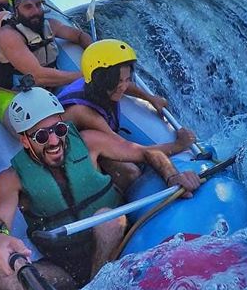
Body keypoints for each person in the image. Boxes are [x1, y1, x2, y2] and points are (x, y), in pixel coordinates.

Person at [0, 87, 201, 290]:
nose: (54, 140)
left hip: (114, 248)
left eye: (59, 129)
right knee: (7, 285)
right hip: (64, 266)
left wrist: (173, 176)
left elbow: (146, 153)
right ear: (25, 140)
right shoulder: (11, 179)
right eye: (42, 135)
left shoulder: (90, 142)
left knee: (107, 218)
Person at [59, 39, 196, 183]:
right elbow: (130, 149)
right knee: (131, 172)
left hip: (92, 140)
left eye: (127, 79)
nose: (124, 86)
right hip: (67, 157)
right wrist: (179, 145)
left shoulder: (95, 84)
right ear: (102, 80)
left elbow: (126, 86)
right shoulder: (85, 114)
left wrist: (150, 98)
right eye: (118, 81)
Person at [0, 0, 92, 125]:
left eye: (38, 5)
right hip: (11, 97)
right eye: (28, 7)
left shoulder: (51, 25)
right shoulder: (7, 35)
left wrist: (95, 53)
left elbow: (79, 35)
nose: (36, 11)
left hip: (47, 93)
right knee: (42, 136)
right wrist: (87, 76)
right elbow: (38, 76)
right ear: (15, 9)